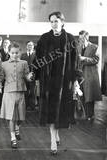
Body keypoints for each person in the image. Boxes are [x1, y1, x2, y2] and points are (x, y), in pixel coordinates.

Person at [32, 11, 78, 155]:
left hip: (64, 82)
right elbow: (38, 59)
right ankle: (53, 140)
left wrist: (76, 82)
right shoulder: (44, 38)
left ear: (62, 22)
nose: (53, 24)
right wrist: (35, 74)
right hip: (48, 82)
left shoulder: (70, 39)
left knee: (60, 110)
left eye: (56, 21)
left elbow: (75, 62)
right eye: (51, 21)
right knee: (51, 110)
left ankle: (56, 134)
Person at [0, 42, 34, 149]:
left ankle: (17, 128)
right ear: (9, 53)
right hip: (8, 93)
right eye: (12, 53)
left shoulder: (24, 63)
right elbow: (0, 77)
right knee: (11, 117)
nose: (15, 55)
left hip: (20, 92)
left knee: (21, 118)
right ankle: (13, 138)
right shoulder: (3, 64)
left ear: (19, 52)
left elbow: (27, 77)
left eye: (17, 53)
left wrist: (30, 77)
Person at [77, 30, 102, 121]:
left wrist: (84, 59)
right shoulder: (78, 47)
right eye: (80, 38)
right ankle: (85, 114)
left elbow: (96, 60)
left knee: (90, 96)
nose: (81, 40)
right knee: (81, 94)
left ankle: (90, 115)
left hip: (90, 74)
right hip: (80, 75)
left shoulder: (95, 47)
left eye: (83, 37)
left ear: (87, 37)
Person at [20, 41, 36, 110]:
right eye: (28, 45)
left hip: (33, 76)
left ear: (33, 46)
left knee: (32, 91)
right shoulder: (23, 55)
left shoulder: (36, 55)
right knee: (25, 91)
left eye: (31, 45)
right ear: (26, 46)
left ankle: (32, 106)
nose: (30, 46)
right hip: (25, 76)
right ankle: (25, 105)